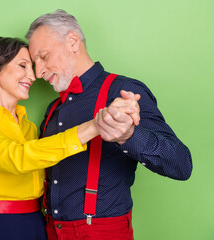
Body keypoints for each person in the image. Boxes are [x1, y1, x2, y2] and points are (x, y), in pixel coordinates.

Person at [26, 9, 193, 240]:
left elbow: (181, 164)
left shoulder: (123, 92)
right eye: (34, 63)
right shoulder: (53, 108)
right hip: (50, 231)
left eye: (43, 57)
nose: (38, 72)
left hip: (103, 232)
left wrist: (129, 135)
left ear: (73, 42)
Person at [0, 37, 140, 240]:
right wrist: (93, 126)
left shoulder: (29, 127)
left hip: (36, 224)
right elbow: (16, 158)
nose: (32, 76)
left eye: (31, 67)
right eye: (23, 66)